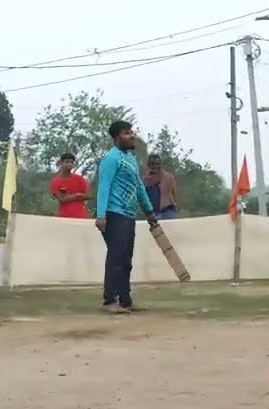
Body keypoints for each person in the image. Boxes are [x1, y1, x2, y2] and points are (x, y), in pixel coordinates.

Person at [95, 120, 158, 314]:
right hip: (114, 213)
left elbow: (139, 187)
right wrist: (100, 215)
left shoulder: (131, 160)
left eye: (131, 132)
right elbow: (104, 186)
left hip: (129, 215)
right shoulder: (111, 158)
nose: (131, 136)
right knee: (116, 257)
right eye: (126, 133)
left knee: (126, 259)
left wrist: (149, 212)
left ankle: (125, 299)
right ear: (116, 137)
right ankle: (109, 301)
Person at [49, 153, 90, 219]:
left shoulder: (80, 179)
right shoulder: (55, 182)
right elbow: (62, 200)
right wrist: (77, 196)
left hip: (81, 217)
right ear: (61, 163)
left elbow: (88, 196)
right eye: (67, 162)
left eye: (71, 162)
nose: (70, 164)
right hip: (64, 217)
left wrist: (69, 197)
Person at [144, 154, 179, 220]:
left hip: (167, 211)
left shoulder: (169, 177)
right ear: (149, 165)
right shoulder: (146, 180)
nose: (155, 166)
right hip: (153, 213)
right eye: (152, 164)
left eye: (157, 164)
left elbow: (174, 194)